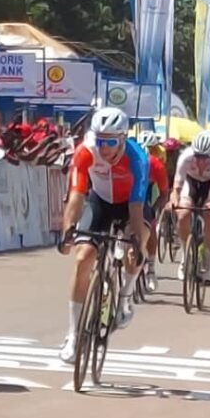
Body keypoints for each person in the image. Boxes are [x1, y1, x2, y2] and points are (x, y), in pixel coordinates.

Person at [57, 108, 148, 363]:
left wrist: (137, 240)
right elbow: (76, 195)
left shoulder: (137, 157)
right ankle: (74, 335)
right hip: (100, 202)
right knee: (82, 257)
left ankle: (126, 298)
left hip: (131, 204)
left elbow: (137, 206)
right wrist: (67, 231)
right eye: (100, 140)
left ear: (122, 138)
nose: (104, 147)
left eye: (110, 141)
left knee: (134, 250)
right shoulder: (85, 152)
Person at [172, 131, 210, 284]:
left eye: (204, 157)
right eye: (198, 156)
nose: (201, 160)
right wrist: (175, 201)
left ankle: (208, 264)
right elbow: (177, 186)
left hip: (209, 187)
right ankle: (185, 253)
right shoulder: (185, 157)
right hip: (191, 183)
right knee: (183, 214)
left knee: (209, 217)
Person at [137, 130, 169, 292]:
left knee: (150, 223)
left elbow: (164, 194)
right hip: (128, 190)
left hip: (148, 190)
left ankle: (150, 267)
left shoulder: (156, 162)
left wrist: (155, 210)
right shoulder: (128, 159)